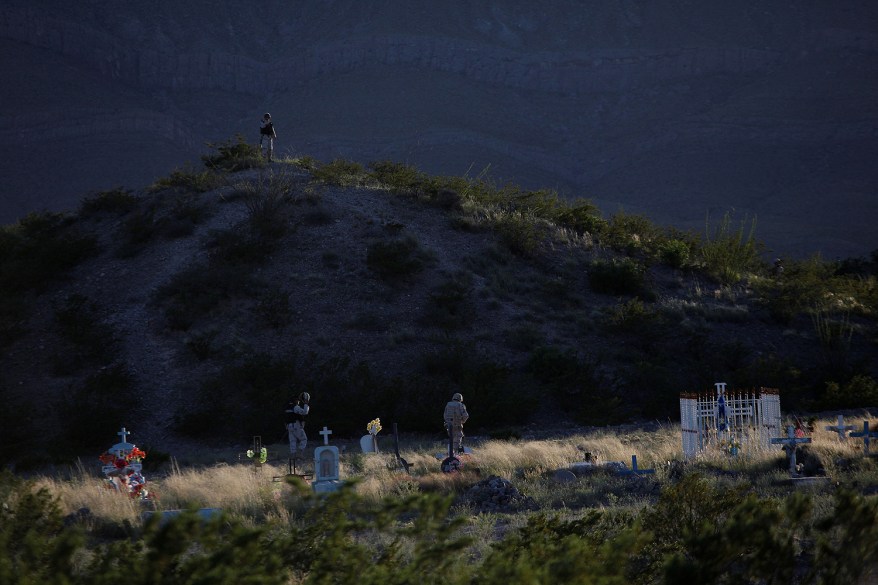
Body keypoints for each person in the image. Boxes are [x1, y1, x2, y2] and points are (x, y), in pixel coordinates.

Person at [285, 392, 310, 460]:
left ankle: (293, 455)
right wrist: (306, 403)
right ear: (295, 400)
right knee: (304, 439)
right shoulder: (295, 407)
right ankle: (300, 453)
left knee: (292, 441)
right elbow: (305, 412)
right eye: (298, 400)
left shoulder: (287, 407)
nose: (298, 402)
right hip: (296, 425)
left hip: (289, 426)